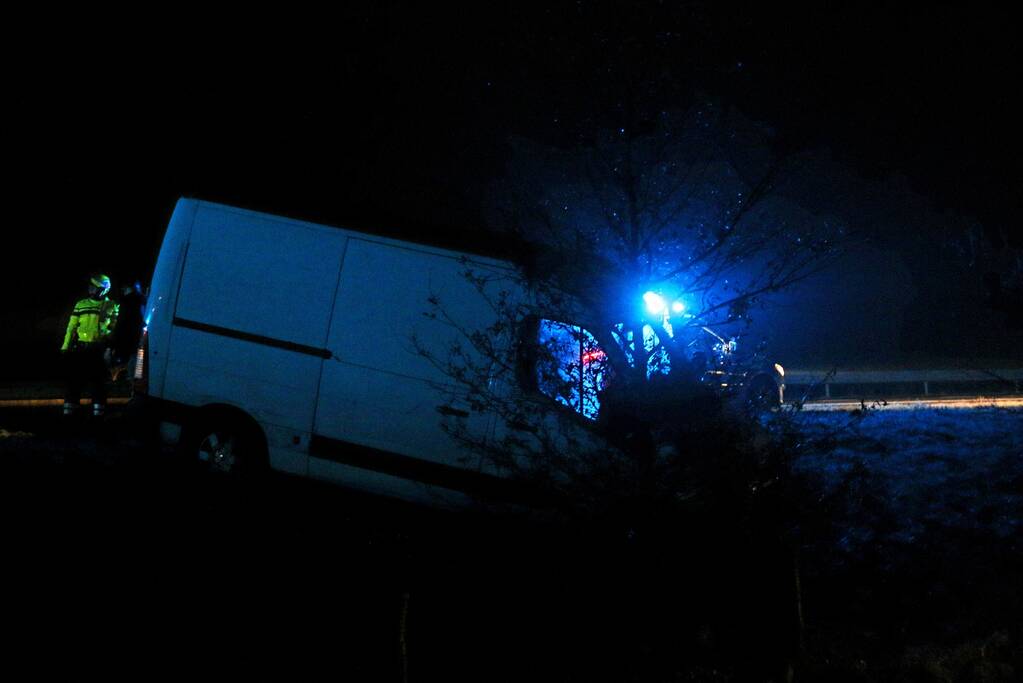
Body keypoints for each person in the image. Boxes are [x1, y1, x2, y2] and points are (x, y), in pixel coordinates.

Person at [61, 274, 118, 417]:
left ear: (103, 289)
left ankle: (98, 418)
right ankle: (69, 416)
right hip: (81, 349)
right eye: (90, 285)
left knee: (98, 384)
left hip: (100, 350)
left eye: (94, 286)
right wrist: (65, 347)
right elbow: (71, 327)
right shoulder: (81, 304)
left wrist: (110, 347)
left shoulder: (111, 306)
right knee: (74, 382)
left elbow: (114, 329)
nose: (90, 288)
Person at [110, 279, 146, 381]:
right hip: (139, 334)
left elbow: (121, 320)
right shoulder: (142, 299)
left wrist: (115, 337)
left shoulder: (126, 301)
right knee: (138, 357)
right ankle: (136, 380)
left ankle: (128, 380)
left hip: (127, 335)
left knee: (129, 358)